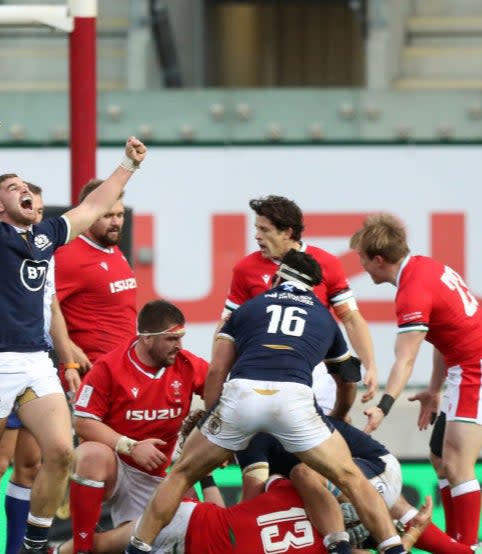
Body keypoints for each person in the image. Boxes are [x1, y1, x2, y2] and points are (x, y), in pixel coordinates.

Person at [0, 113, 147, 554]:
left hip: (37, 361)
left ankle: (35, 541)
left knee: (59, 452)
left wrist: (129, 165)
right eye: (11, 187)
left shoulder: (45, 236)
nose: (22, 189)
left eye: (25, 186)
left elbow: (94, 206)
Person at [127, 250, 407, 554]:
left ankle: (137, 548)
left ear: (275, 279)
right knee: (350, 477)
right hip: (294, 401)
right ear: (313, 288)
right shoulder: (323, 317)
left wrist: (211, 421)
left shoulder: (247, 309)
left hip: (242, 395)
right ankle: (394, 548)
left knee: (181, 474)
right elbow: (347, 378)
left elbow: (218, 370)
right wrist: (338, 415)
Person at [352, 213, 482, 546]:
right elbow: (445, 334)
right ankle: (457, 541)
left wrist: (383, 406)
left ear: (379, 259)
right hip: (461, 368)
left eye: (363, 260)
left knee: (458, 464)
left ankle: (465, 547)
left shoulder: (412, 291)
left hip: (474, 368)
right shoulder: (426, 266)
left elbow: (405, 359)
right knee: (440, 459)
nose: (362, 268)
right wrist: (435, 389)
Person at [68, 299, 208, 554]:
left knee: (196, 526)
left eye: (181, 337)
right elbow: (83, 422)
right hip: (118, 467)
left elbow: (221, 390)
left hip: (158, 472)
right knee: (91, 454)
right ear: (146, 338)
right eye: (171, 339)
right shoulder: (109, 367)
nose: (179, 346)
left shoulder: (187, 365)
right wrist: (130, 447)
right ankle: (82, 547)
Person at [220, 195, 378, 416]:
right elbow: (226, 327)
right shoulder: (245, 269)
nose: (257, 236)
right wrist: (220, 374)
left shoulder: (327, 263)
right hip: (261, 373)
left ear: (288, 232)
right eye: (257, 228)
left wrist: (370, 365)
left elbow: (351, 318)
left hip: (313, 371)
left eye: (265, 230)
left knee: (323, 439)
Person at [238, 417, 477, 553]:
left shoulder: (250, 438)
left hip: (373, 472)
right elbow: (348, 381)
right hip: (378, 470)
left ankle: (341, 545)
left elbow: (249, 508)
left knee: (301, 477)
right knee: (303, 489)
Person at [52, 476, 434, 554]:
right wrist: (410, 533)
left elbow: (302, 475)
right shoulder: (333, 551)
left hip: (195, 523)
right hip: (196, 526)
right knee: (103, 544)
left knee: (102, 544)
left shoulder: (293, 488)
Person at [54, 178, 137, 372]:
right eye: (107, 215)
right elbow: (39, 307)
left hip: (121, 369)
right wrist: (70, 350)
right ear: (89, 214)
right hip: (90, 372)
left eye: (120, 214)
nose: (116, 222)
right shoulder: (69, 255)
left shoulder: (112, 248)